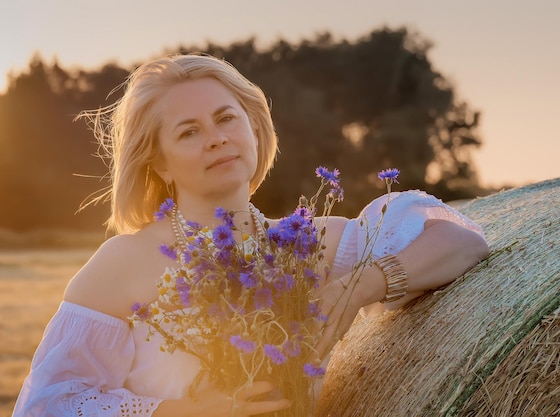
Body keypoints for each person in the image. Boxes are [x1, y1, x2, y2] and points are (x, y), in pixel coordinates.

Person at [12, 54, 489, 417]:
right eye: (188, 132)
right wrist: (185, 413)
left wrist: (358, 285)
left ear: (254, 129)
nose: (216, 138)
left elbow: (463, 243)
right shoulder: (125, 261)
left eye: (225, 118)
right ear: (158, 162)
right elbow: (50, 403)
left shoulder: (309, 242)